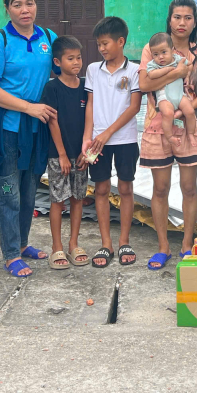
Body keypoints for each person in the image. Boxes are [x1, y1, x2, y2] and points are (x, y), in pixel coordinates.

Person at [0, 0, 57, 278]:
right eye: (17, 5)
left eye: (29, 3)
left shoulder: (48, 38)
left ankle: (23, 243)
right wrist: (27, 107)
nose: (24, 10)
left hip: (37, 130)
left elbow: (68, 69)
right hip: (9, 129)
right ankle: (10, 253)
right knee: (8, 191)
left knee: (29, 191)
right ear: (7, 9)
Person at [138, 0, 197, 268]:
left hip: (190, 128)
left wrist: (184, 111)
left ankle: (186, 244)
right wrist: (178, 71)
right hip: (158, 127)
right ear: (169, 20)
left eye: (188, 18)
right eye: (177, 17)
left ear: (195, 22)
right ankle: (162, 247)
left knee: (189, 187)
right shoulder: (153, 48)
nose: (182, 23)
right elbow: (144, 82)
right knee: (160, 188)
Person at [82, 16, 141, 268]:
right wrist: (88, 136)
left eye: (106, 43)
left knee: (126, 189)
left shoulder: (135, 70)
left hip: (125, 139)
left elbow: (134, 107)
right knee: (101, 189)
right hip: (97, 142)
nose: (102, 49)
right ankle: (106, 243)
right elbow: (90, 105)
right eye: (99, 45)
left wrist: (109, 133)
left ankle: (124, 241)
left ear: (121, 41)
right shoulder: (93, 70)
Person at [41, 35, 90, 269]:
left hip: (80, 155)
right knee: (58, 200)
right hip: (58, 155)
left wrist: (86, 152)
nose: (76, 63)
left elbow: (91, 119)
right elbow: (53, 122)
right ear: (57, 62)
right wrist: (61, 154)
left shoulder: (85, 87)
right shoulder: (52, 87)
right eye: (70, 58)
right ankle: (57, 247)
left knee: (78, 198)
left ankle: (73, 244)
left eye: (79, 58)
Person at [145, 32, 197, 148]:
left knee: (190, 111)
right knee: (168, 114)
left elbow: (189, 64)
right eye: (156, 54)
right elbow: (152, 75)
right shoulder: (153, 65)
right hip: (164, 98)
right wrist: (170, 70)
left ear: (172, 50)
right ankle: (169, 137)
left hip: (179, 95)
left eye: (164, 52)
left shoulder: (177, 59)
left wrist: (187, 75)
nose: (161, 57)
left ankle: (190, 134)